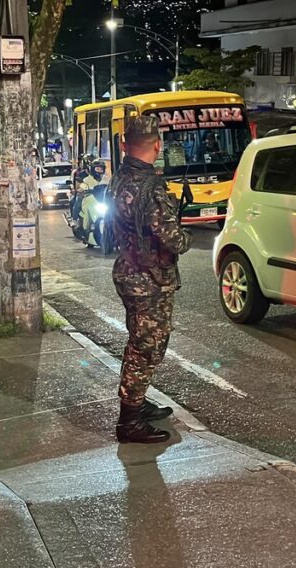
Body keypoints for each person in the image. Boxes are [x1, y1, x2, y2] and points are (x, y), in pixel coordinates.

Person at [110, 115, 191, 444]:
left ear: (124, 144)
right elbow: (173, 240)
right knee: (147, 349)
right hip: (149, 280)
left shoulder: (121, 177)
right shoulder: (152, 189)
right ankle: (129, 420)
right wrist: (185, 236)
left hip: (128, 272)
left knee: (138, 342)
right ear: (157, 146)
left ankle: (138, 402)